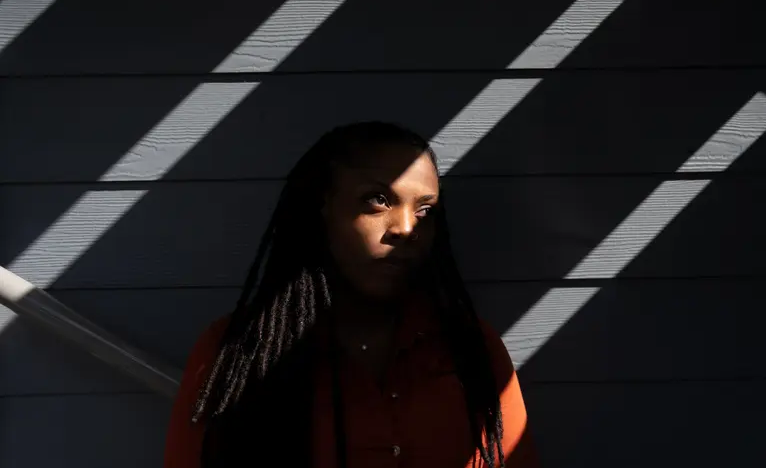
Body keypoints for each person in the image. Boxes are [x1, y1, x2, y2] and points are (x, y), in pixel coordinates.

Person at [163, 121, 538, 468]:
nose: (407, 229)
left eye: (425, 210)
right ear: (321, 208)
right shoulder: (239, 353)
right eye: (377, 199)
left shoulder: (472, 349)